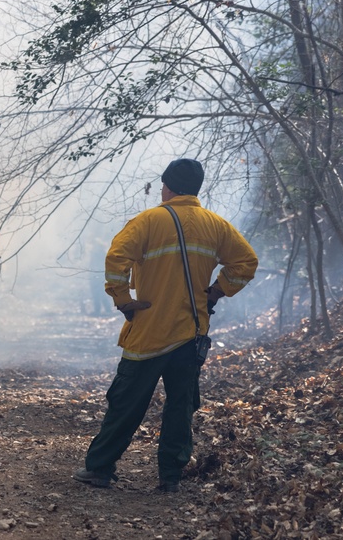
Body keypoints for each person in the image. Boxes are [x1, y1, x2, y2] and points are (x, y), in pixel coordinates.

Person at [73, 158, 258, 492]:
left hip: (149, 332)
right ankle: (170, 479)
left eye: (163, 185)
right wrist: (216, 292)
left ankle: (100, 469)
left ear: (169, 186)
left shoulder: (148, 220)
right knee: (180, 408)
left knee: (126, 404)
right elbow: (246, 262)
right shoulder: (216, 225)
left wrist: (122, 298)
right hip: (192, 334)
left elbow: (116, 258)